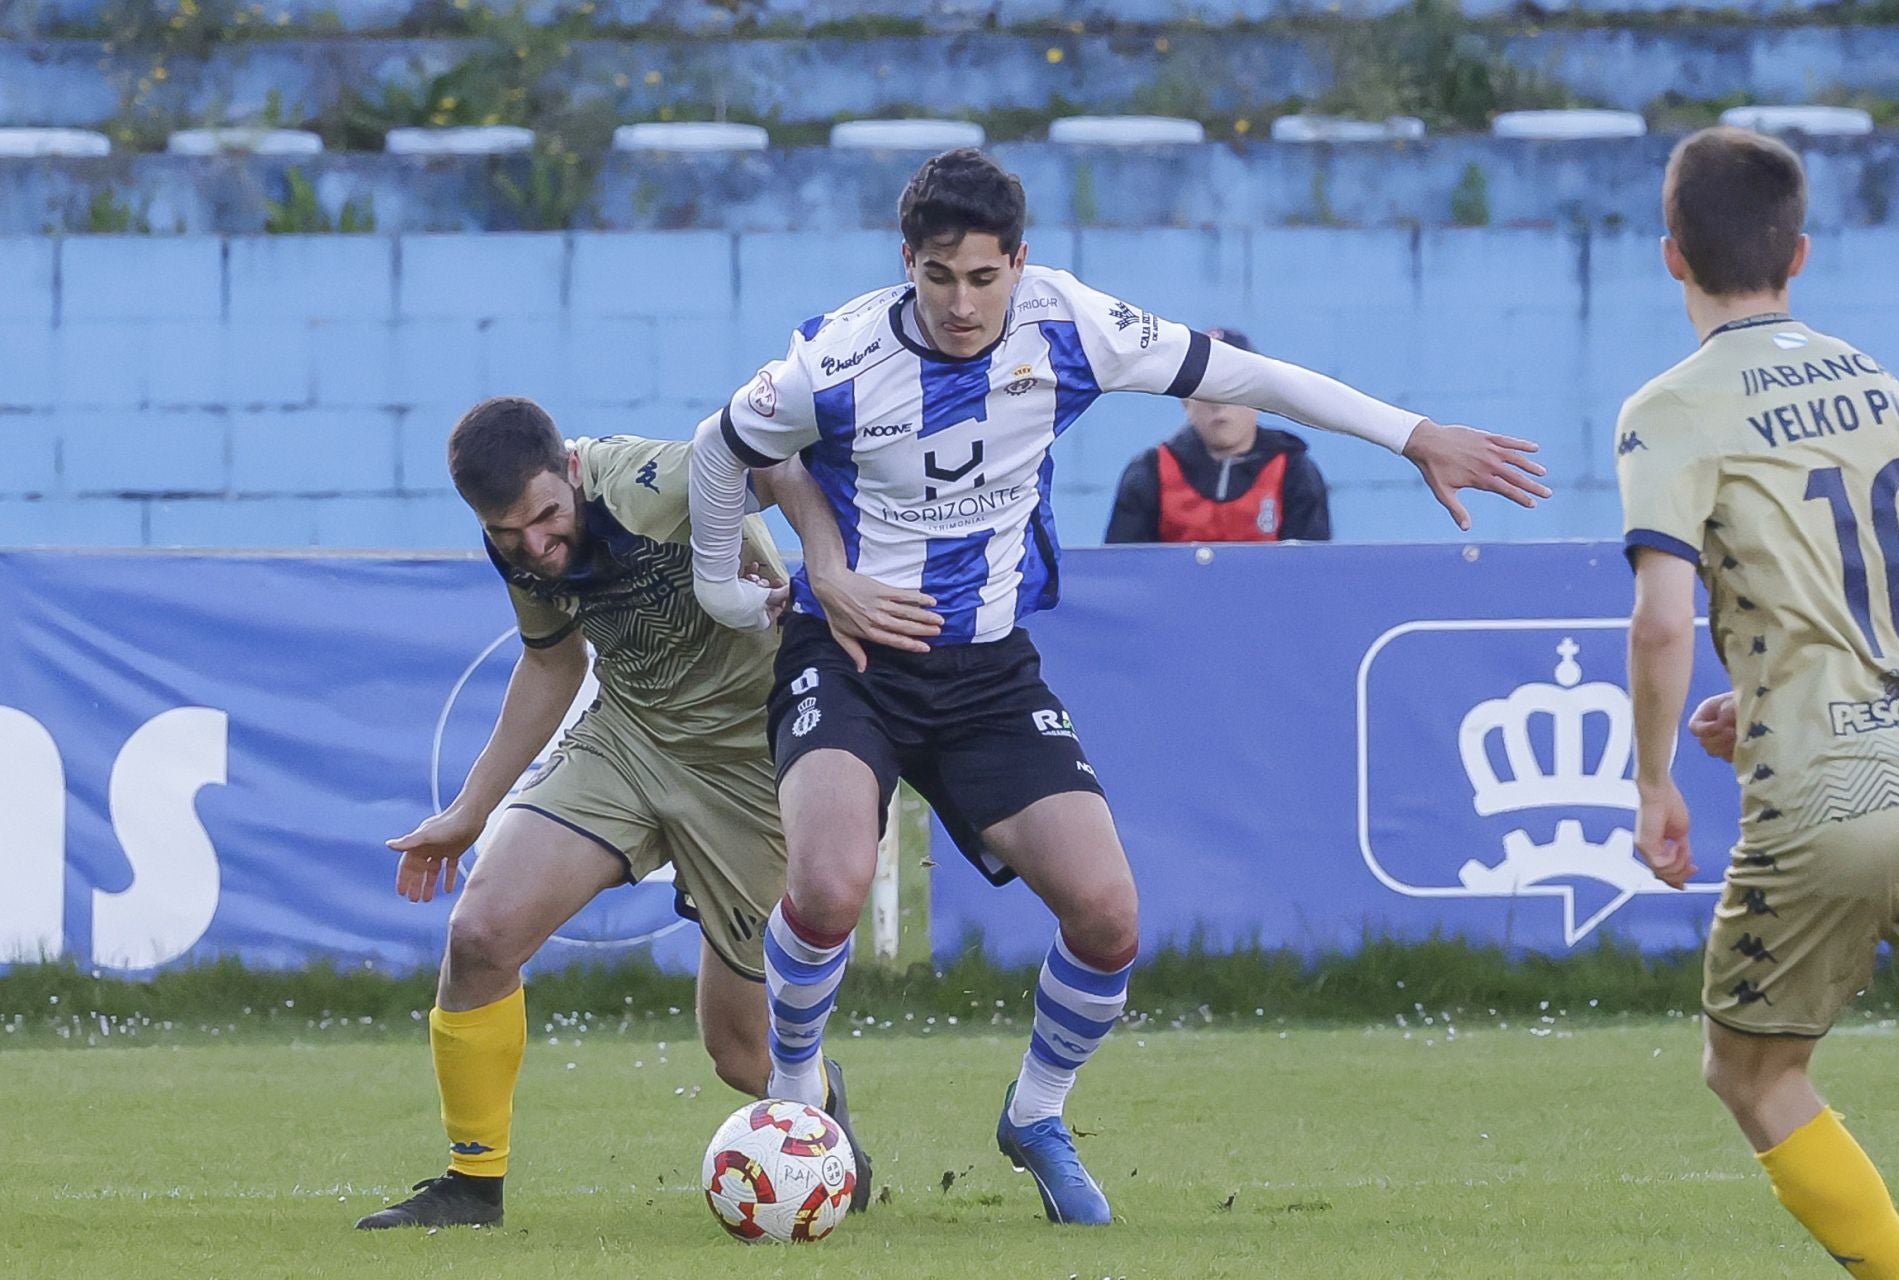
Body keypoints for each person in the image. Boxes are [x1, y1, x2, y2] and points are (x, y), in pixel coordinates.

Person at [682, 147, 1551, 1227]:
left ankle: (1037, 1113)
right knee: (828, 885)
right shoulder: (840, 356)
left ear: (1021, 263)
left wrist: (1413, 433)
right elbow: (724, 450)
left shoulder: (1071, 326)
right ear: (905, 262)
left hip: (988, 666)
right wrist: (737, 592)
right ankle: (799, 1095)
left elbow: (1248, 377)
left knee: (1107, 914)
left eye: (984, 277)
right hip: (850, 656)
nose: (962, 303)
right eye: (939, 276)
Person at [354, 397, 909, 1229]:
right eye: (511, 536)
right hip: (631, 735)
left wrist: (822, 567)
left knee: (739, 1055)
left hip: (754, 765)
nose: (536, 547)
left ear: (570, 470)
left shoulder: (653, 483)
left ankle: (819, 1103)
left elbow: (773, 458)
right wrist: (471, 811)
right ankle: (472, 1189)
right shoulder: (514, 535)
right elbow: (551, 664)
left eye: (546, 518)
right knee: (480, 934)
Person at [1619, 127, 1899, 1277]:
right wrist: (1761, 697)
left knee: (1754, 1071)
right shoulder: (1880, 385)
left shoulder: (1672, 408)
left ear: (1669, 257)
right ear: (1800, 255)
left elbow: (1660, 616)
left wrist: (1653, 781)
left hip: (1834, 788)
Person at [1104, 327, 1332, 544]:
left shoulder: (1293, 471)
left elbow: (1311, 575)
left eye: (1234, 386)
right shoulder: (1150, 472)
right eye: (1205, 387)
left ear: (1260, 398)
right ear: (1185, 400)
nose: (1219, 402)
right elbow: (1124, 574)